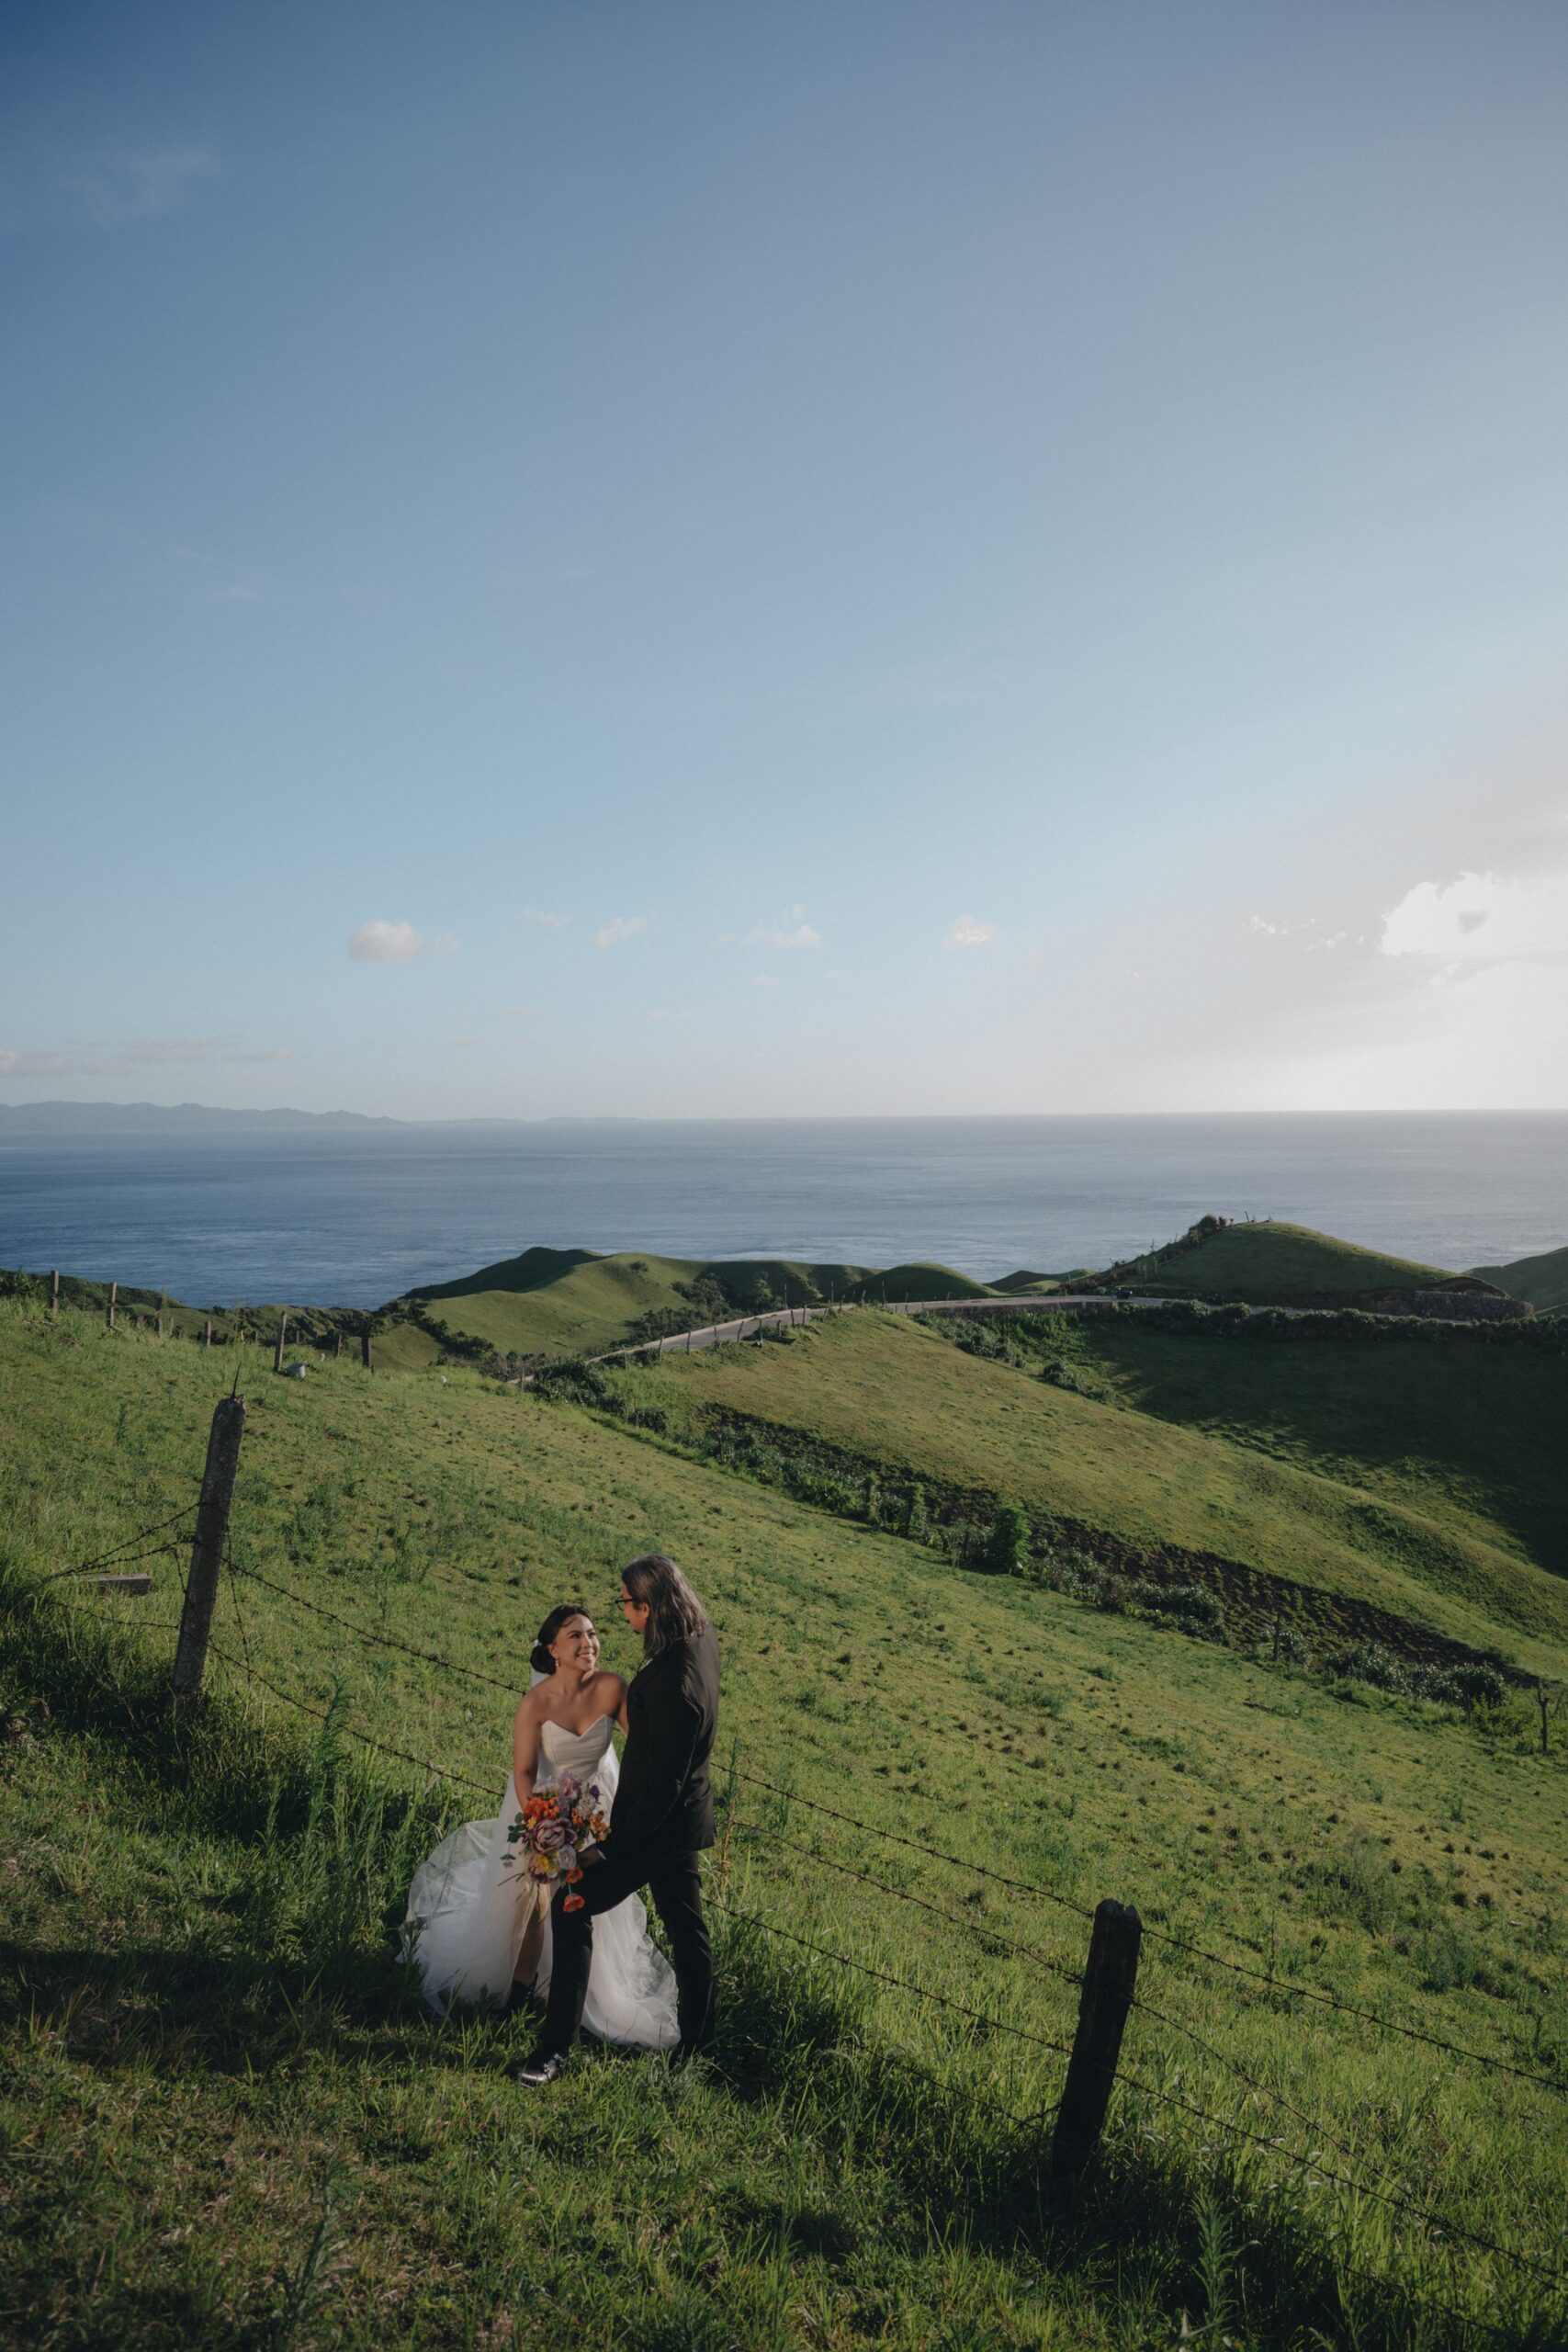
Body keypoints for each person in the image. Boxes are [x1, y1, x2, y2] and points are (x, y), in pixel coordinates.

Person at [402, 1600, 680, 2050]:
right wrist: (540, 1820)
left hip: (593, 1810)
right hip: (544, 1808)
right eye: (576, 1636)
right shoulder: (536, 1702)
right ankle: (520, 1989)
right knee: (533, 1903)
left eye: (592, 1634)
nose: (589, 1643)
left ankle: (578, 1995)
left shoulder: (612, 1688)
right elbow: (524, 1771)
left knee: (581, 1900)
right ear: (553, 1649)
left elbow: (643, 1746)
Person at [515, 1553, 719, 2084]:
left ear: (648, 1607)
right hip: (682, 1819)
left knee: (572, 1905)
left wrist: (605, 1847)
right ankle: (697, 2048)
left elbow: (658, 1788)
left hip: (656, 1828)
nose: (624, 1613)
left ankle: (553, 2051)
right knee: (688, 1932)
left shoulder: (675, 1685)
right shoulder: (699, 1639)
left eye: (626, 1604)